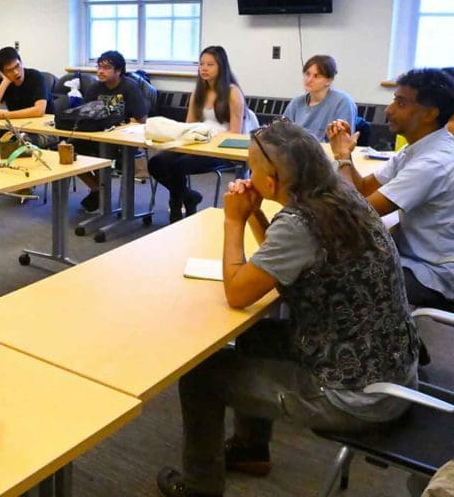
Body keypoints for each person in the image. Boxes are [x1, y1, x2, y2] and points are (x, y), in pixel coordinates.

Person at [157, 121, 419, 497]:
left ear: (272, 180)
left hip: (357, 394)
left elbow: (238, 293)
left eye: (252, 169)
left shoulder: (301, 223)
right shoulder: (340, 197)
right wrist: (255, 215)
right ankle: (250, 449)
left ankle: (201, 487)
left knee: (202, 378)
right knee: (251, 336)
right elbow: (284, 259)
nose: (248, 175)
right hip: (390, 369)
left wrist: (234, 222)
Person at [327, 68, 454, 312]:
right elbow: (362, 189)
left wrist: (343, 157)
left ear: (429, 114)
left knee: (330, 275)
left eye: (401, 103)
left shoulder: (433, 162)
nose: (389, 110)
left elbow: (358, 213)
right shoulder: (417, 149)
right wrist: (346, 158)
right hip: (418, 259)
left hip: (434, 277)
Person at [148, 46, 254, 222]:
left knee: (178, 166)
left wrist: (209, 139)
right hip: (196, 142)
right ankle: (189, 196)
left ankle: (175, 206)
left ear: (221, 67)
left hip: (221, 148)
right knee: (156, 163)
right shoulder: (198, 92)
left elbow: (235, 132)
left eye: (210, 64)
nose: (204, 68)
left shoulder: (232, 92)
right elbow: (189, 125)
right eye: (201, 64)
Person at [76, 50, 150, 212]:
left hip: (122, 141)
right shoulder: (95, 88)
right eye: (99, 67)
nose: (100, 71)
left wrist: (120, 125)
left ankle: (101, 192)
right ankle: (98, 189)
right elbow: (84, 114)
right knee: (70, 151)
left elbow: (141, 119)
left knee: (105, 153)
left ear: (118, 71)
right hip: (97, 136)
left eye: (107, 68)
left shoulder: (130, 87)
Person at [281, 55, 357, 141]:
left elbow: (343, 140)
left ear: (329, 81)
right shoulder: (296, 103)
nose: (309, 80)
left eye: (316, 76)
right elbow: (282, 134)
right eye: (307, 74)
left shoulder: (342, 102)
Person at [0, 46, 52, 120]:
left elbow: (39, 111)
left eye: (17, 66)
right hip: (19, 125)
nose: (16, 72)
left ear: (21, 62)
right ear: (3, 73)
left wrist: (4, 115)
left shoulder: (36, 77)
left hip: (44, 125)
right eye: (9, 70)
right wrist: (5, 82)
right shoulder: (3, 82)